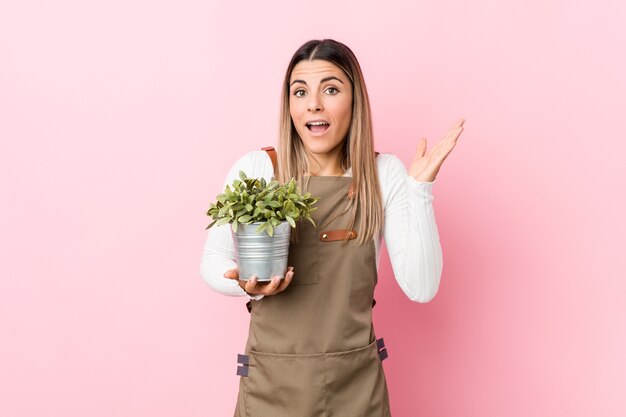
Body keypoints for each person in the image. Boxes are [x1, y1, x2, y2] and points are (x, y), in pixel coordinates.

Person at [200, 39, 464, 417]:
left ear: (355, 100)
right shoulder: (257, 169)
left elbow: (421, 288)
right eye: (300, 92)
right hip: (270, 389)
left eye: (331, 89)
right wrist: (243, 280)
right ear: (288, 105)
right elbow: (213, 259)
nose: (313, 104)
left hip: (354, 390)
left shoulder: (383, 174)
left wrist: (418, 190)